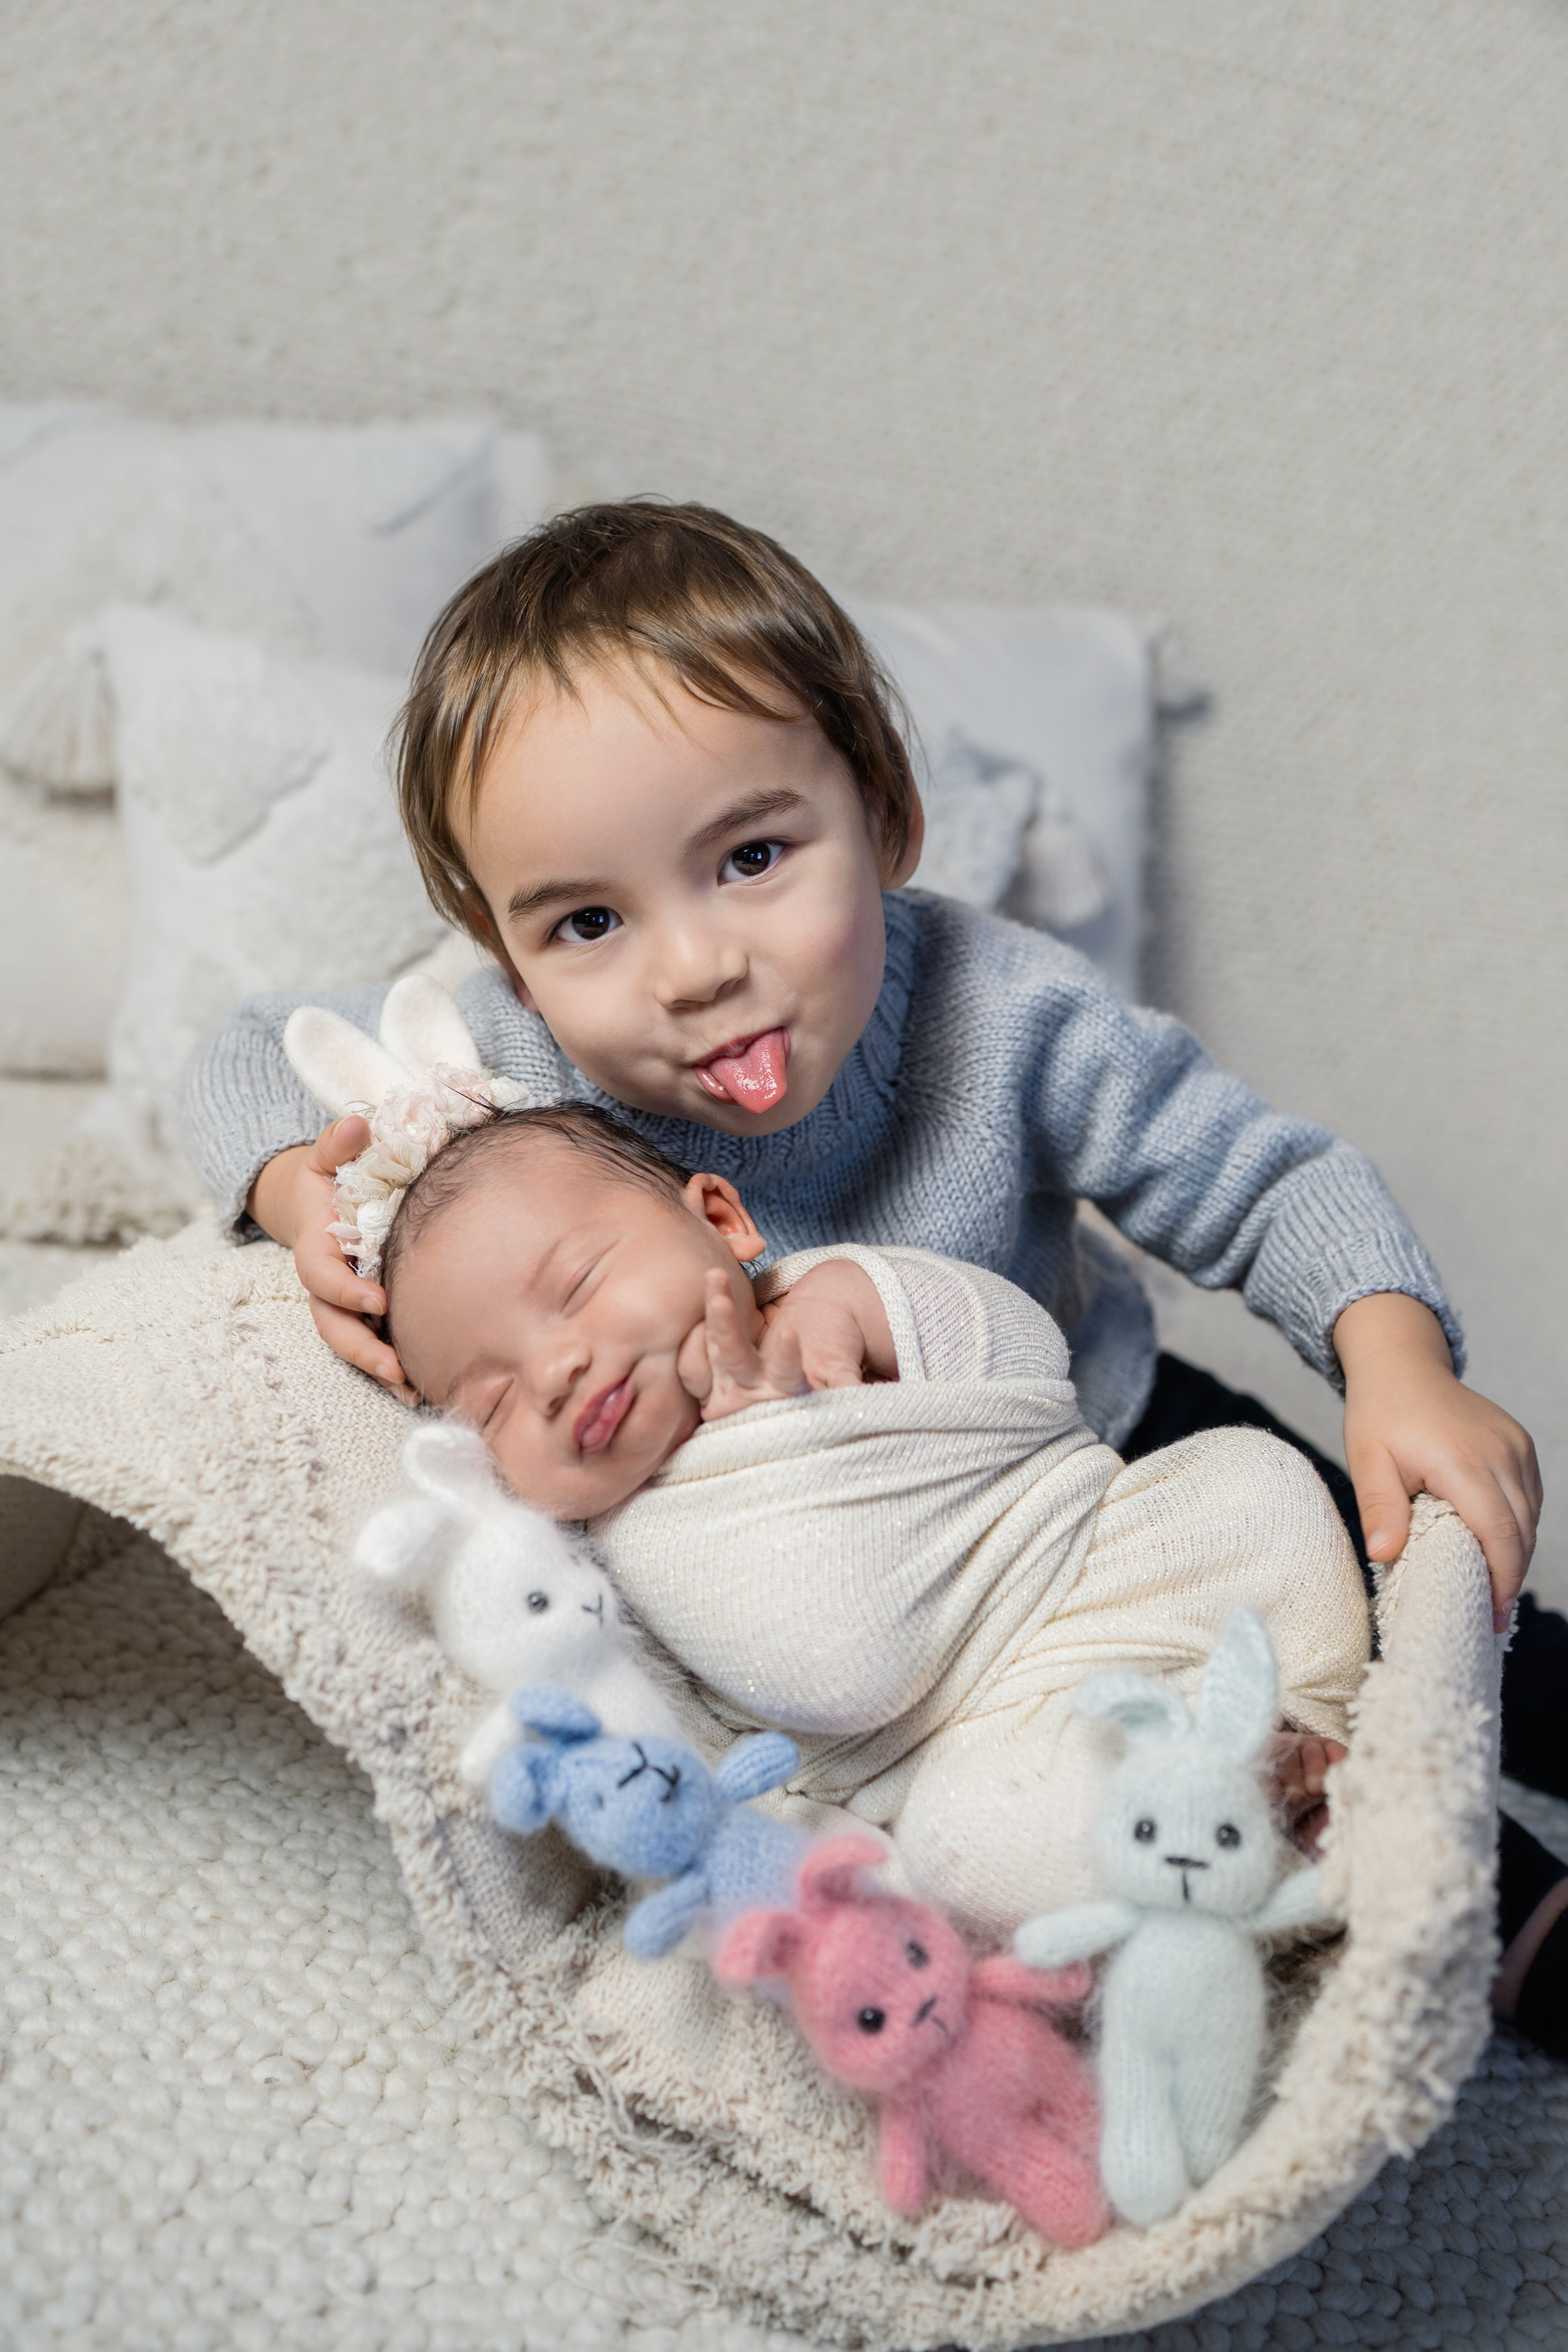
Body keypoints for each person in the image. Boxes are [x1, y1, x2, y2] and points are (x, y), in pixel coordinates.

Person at [179, 500, 1558, 2033]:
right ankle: (1444, 1882)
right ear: (505, 958)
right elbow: (245, 1053)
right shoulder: (518, 1058)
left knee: (1398, 1570)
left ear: (886, 818)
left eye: (752, 856)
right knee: (1107, 1766)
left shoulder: (1004, 1010)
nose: (691, 968)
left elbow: (1260, 1177)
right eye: (586, 920)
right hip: (863, 1576)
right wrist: (292, 1185)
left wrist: (1393, 1360)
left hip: (1084, 1429)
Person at [372, 1093, 1368, 1933]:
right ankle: (1252, 1821)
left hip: (1101, 1562)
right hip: (975, 1741)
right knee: (966, 1852)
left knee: (1255, 1484)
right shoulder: (615, 1549)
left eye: (580, 1286)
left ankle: (1314, 1718)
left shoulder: (823, 1299)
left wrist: (873, 1304)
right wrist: (776, 1445)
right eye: (491, 1401)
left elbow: (1031, 1373)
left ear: (722, 1223)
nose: (552, 1373)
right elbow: (838, 1667)